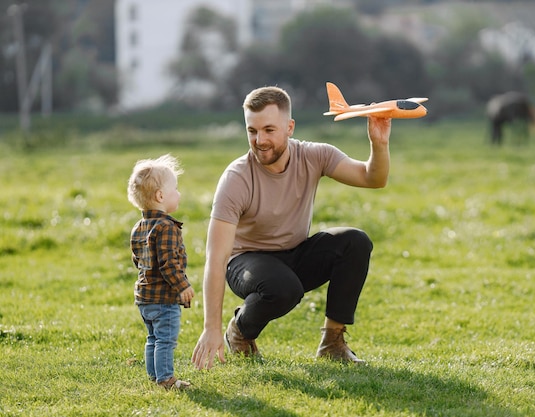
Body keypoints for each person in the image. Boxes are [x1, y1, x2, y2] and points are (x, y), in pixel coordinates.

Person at [191, 86, 391, 370]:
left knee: (355, 242)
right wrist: (211, 327)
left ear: (290, 127)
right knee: (283, 288)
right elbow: (216, 258)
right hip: (246, 262)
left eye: (269, 130)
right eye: (252, 131)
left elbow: (373, 179)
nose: (260, 140)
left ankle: (332, 343)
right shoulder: (236, 178)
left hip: (294, 253)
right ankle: (238, 332)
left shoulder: (315, 155)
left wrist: (379, 144)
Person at [127, 154, 196, 390]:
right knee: (165, 339)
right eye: (175, 188)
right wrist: (182, 286)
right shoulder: (166, 227)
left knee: (153, 338)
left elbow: (138, 260)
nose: (179, 193)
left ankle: (153, 376)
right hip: (163, 298)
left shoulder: (139, 227)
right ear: (160, 196)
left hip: (144, 297)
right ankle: (166, 379)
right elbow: (169, 264)